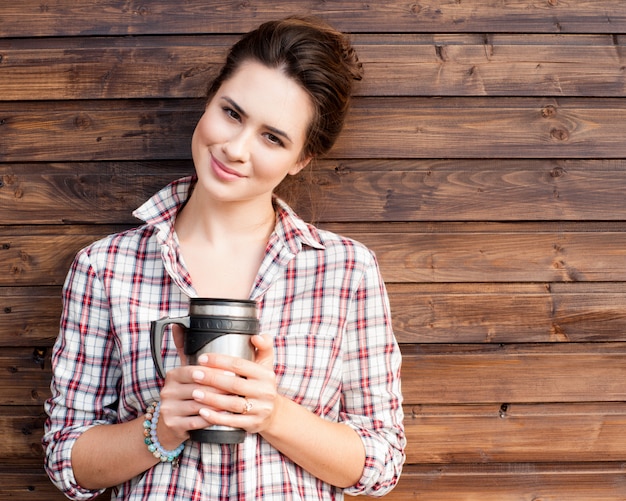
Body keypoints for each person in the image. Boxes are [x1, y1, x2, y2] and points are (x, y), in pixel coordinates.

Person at [43, 16, 405, 500]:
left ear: (300, 160)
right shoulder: (105, 267)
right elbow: (67, 462)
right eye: (232, 113)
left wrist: (273, 414)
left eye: (272, 138)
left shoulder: (346, 269)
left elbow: (380, 461)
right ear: (210, 100)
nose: (235, 149)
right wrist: (159, 428)